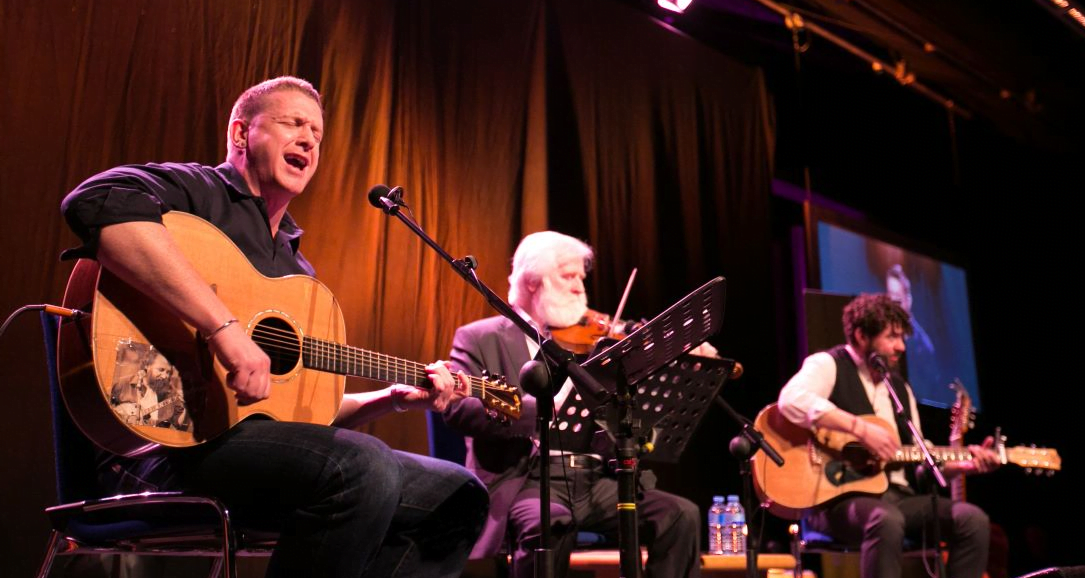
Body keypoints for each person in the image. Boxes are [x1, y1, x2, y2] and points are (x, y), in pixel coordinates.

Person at [60, 76, 488, 577]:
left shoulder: (293, 269)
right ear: (241, 134)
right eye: (293, 124)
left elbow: (297, 419)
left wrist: (390, 399)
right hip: (160, 442)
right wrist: (223, 329)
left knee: (456, 496)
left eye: (317, 134)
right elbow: (96, 201)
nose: (309, 140)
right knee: (362, 467)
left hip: (246, 452)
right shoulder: (198, 193)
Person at [443, 231, 702, 578]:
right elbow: (459, 409)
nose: (581, 287)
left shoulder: (594, 340)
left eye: (582, 277)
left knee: (680, 515)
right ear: (533, 281)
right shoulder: (480, 337)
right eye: (568, 276)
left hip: (596, 478)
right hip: (527, 480)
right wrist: (542, 410)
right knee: (550, 523)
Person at [777, 293, 1000, 578]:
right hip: (836, 500)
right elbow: (791, 400)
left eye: (903, 338)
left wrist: (963, 465)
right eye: (892, 337)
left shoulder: (899, 389)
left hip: (897, 498)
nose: (901, 347)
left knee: (973, 520)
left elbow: (920, 461)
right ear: (860, 335)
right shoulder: (828, 364)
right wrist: (859, 429)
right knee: (887, 520)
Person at [885, 264, 942, 391]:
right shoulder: (884, 334)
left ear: (908, 300)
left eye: (898, 300)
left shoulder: (923, 346)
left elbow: (931, 389)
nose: (892, 305)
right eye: (890, 297)